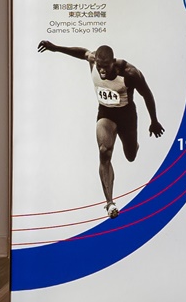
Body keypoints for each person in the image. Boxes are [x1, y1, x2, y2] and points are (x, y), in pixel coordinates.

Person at [36, 40, 165, 219]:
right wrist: (56, 48)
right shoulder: (92, 59)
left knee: (130, 156)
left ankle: (133, 144)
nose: (102, 71)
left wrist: (154, 121)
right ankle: (110, 203)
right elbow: (81, 52)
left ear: (113, 62)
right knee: (104, 151)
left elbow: (147, 95)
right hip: (106, 113)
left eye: (106, 67)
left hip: (127, 117)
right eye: (99, 66)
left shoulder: (130, 73)